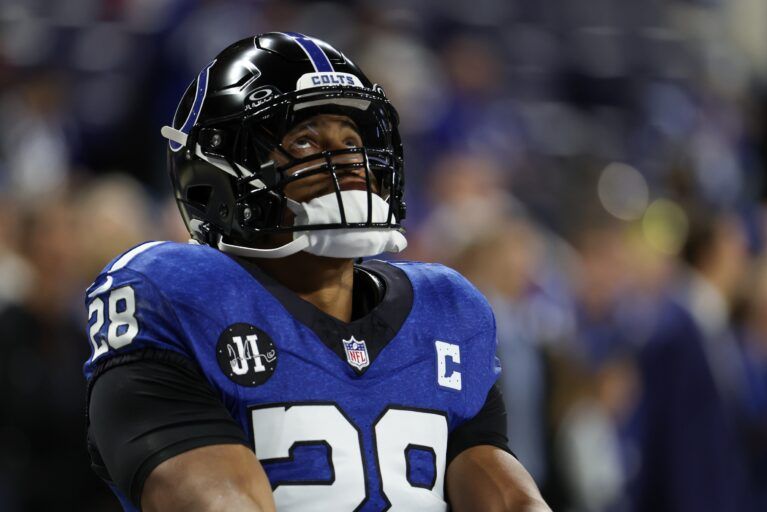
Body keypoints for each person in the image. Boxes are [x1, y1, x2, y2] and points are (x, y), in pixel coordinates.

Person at [83, 32, 550, 512]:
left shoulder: (448, 310)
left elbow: (513, 502)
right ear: (219, 175)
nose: (350, 161)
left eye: (353, 141)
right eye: (305, 142)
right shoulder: (175, 294)